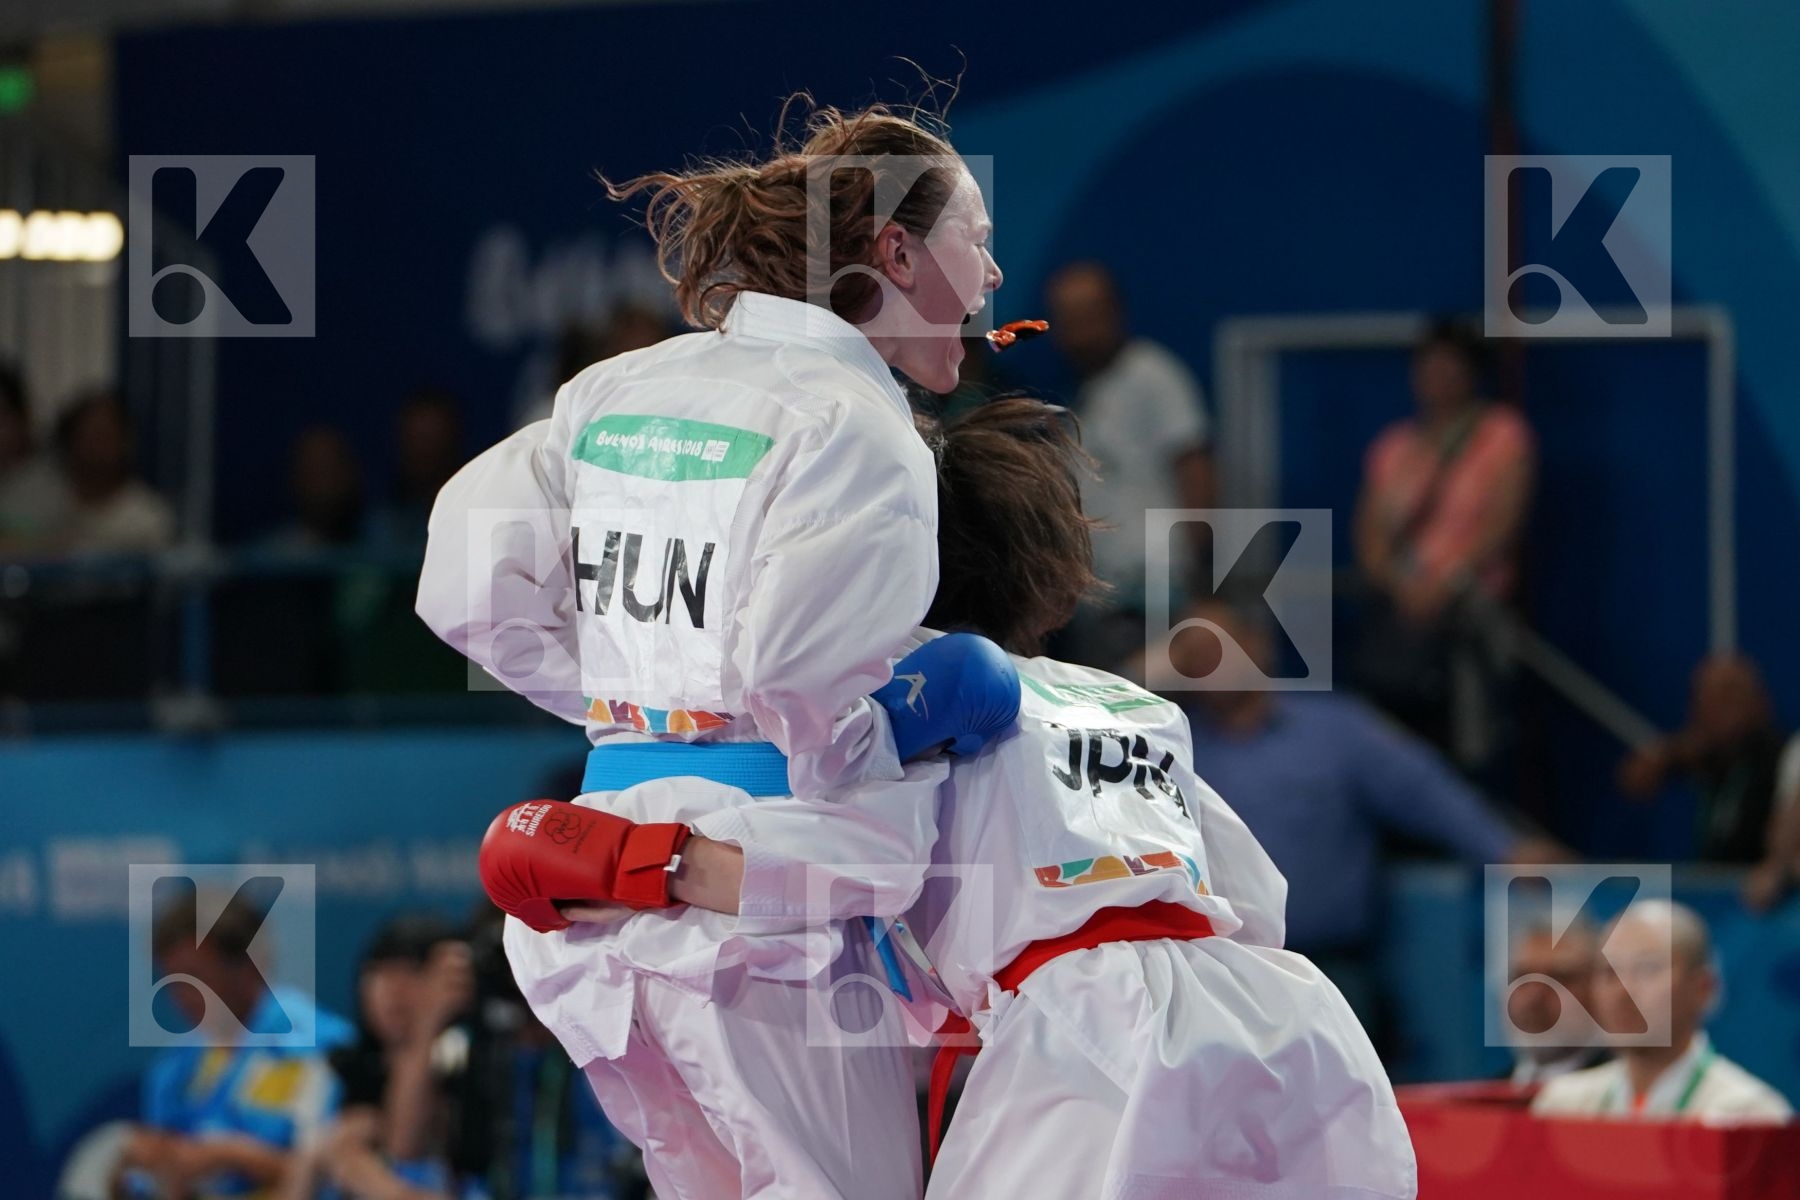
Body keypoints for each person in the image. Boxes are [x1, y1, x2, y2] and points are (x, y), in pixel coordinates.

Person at [495, 400, 1416, 1197]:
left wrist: (628, 863)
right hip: (1291, 1025)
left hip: (1089, 1031)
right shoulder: (1130, 701)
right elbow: (1260, 906)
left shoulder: (909, 710)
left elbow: (824, 875)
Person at [420, 96, 1008, 1200]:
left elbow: (464, 592)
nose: (992, 281)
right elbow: (792, 673)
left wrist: (632, 706)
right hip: (755, 913)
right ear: (896, 250)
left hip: (593, 887)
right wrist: (874, 738)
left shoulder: (615, 388)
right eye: (977, 243)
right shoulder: (857, 423)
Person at [1170, 598, 1564, 1029]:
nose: (1207, 661)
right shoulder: (1172, 747)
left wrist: (1504, 848)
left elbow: (1424, 790)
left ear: (1257, 645)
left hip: (1335, 970)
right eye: (1193, 652)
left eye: (1217, 646)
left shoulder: (1336, 730)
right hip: (1220, 973)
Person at [1352, 318, 1534, 767]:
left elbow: (1502, 524)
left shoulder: (1502, 435)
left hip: (1467, 616)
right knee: (1387, 745)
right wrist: (1399, 586)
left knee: (1465, 749)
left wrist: (1446, 584)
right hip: (1399, 619)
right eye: (1429, 367)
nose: (1438, 379)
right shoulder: (1394, 445)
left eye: (1451, 368)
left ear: (1473, 372)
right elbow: (1370, 532)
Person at [114, 884, 355, 1199]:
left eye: (195, 976)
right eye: (171, 980)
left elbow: (348, 1173)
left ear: (249, 965)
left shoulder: (321, 1045)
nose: (181, 996)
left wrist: (236, 1158)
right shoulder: (174, 1066)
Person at [1044, 261, 1210, 669]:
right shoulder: (1080, 392)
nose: (1079, 332)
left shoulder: (1154, 376)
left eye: (1089, 316)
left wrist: (1203, 579)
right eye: (1068, 319)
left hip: (1155, 595)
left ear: (1115, 312)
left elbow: (1197, 472)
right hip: (1096, 600)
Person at [1533, 900, 1792, 1123]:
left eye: (1647, 970)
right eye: (1609, 973)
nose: (1622, 992)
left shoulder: (1748, 1115)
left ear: (1703, 989)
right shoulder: (1561, 1106)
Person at [282, 916, 474, 1200]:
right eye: (380, 972)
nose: (393, 989)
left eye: (412, 971)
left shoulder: (468, 1061)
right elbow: (304, 1166)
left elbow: (405, 1147)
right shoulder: (338, 1067)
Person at [1618, 653, 1787, 863]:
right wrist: (1670, 752)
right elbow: (1635, 780)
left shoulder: (1781, 758)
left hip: (1765, 888)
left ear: (1760, 701)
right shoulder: (1708, 755)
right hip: (1711, 885)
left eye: (1729, 696)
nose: (1717, 709)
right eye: (1705, 698)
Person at [45, 390, 177, 554]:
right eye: (88, 436)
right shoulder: (46, 502)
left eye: (105, 436)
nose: (96, 448)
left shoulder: (149, 519)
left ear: (126, 443)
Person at [1504, 918, 1608, 1087]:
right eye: (1522, 977)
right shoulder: (1482, 1099)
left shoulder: (1620, 1099)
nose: (1534, 995)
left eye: (1558, 978)